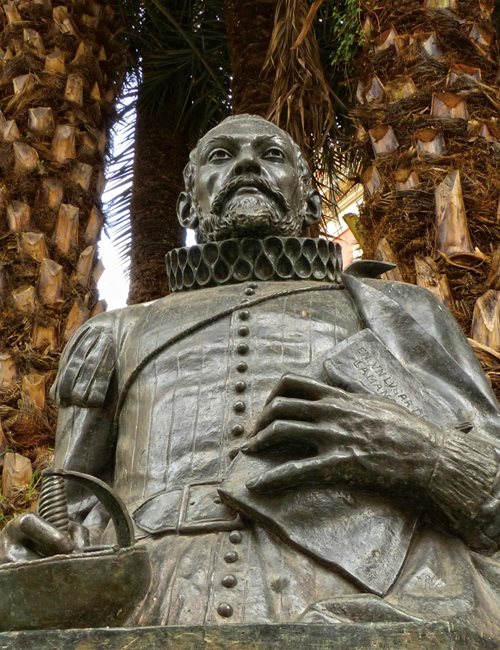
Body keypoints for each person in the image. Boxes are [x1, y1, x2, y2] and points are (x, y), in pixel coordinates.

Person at [1, 115, 499, 633]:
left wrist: (427, 454)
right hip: (153, 601)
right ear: (187, 206)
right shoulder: (115, 333)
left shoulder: (401, 310)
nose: (245, 164)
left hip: (365, 593)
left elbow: (495, 499)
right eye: (221, 156)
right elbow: (70, 511)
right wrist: (37, 547)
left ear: (309, 203)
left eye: (271, 154)